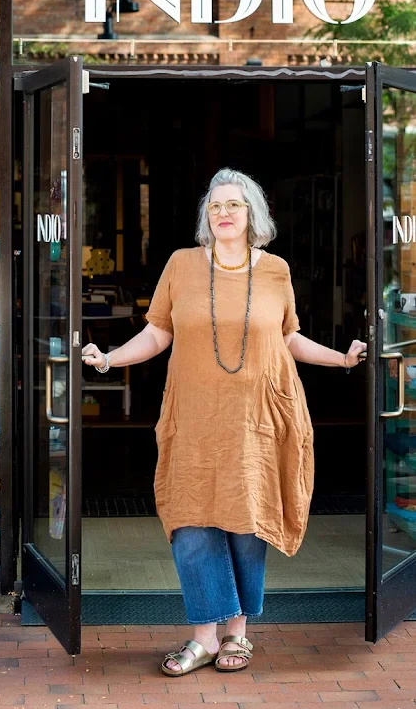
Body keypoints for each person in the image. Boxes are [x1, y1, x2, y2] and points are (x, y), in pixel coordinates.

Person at [82, 167, 366, 676]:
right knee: (190, 521)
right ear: (205, 217)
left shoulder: (276, 271)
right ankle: (203, 638)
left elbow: (288, 339)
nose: (224, 214)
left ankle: (237, 633)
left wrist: (341, 360)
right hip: (192, 417)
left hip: (255, 420)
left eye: (234, 205)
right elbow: (157, 333)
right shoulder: (182, 265)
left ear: (253, 213)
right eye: (215, 206)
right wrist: (110, 358)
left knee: (244, 522)